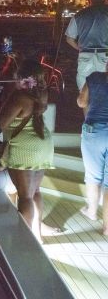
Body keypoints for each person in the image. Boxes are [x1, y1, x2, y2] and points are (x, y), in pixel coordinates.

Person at [0, 59, 56, 239]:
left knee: (25, 197)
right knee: (35, 192)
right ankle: (37, 235)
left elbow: (1, 122)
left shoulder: (19, 97)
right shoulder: (42, 94)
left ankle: (25, 239)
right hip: (43, 144)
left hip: (25, 148)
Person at [76, 62, 108, 235]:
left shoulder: (95, 78)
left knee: (93, 177)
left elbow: (82, 102)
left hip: (94, 131)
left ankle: (92, 212)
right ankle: (107, 228)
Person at [65, 0, 108, 112]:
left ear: (90, 0)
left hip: (85, 56)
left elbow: (69, 39)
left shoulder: (79, 15)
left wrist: (80, 48)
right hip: (105, 56)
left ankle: (88, 126)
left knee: (85, 94)